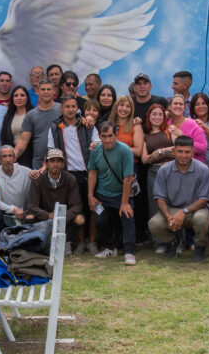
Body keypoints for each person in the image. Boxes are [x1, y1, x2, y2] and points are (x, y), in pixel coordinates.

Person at [149, 136, 209, 262]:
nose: (184, 155)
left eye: (187, 152)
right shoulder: (164, 170)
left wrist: (184, 212)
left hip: (195, 209)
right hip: (172, 209)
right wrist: (168, 217)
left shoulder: (203, 170)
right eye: (180, 151)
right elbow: (159, 198)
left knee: (201, 219)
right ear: (173, 151)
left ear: (193, 152)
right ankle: (173, 241)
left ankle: (200, 246)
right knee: (154, 224)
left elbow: (204, 199)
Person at [47, 95, 94, 249]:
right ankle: (78, 242)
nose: (71, 110)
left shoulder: (87, 125)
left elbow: (97, 145)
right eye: (67, 106)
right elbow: (51, 152)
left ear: (77, 108)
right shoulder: (54, 128)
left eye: (73, 106)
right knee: (74, 210)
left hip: (88, 174)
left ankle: (92, 242)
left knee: (92, 209)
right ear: (62, 108)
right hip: (67, 175)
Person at [88, 122, 137, 265]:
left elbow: (128, 177)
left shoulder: (125, 150)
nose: (107, 140)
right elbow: (92, 172)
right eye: (104, 136)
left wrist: (124, 203)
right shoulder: (95, 150)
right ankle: (110, 247)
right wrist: (90, 195)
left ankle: (129, 252)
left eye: (110, 136)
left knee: (128, 217)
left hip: (122, 193)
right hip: (102, 194)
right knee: (100, 221)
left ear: (116, 135)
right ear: (99, 136)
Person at [27, 148, 85, 247]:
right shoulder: (37, 180)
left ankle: (64, 242)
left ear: (63, 164)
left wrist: (62, 216)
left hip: (64, 217)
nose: (55, 164)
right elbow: (32, 206)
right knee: (29, 217)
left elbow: (77, 205)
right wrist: (48, 215)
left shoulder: (70, 179)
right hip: (44, 216)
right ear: (47, 163)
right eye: (52, 161)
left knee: (80, 219)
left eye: (58, 161)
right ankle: (39, 241)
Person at [140, 103, 175, 249]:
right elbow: (144, 159)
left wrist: (160, 152)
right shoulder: (145, 135)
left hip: (173, 171)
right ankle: (159, 242)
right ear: (149, 116)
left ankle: (177, 241)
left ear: (164, 117)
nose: (157, 117)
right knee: (155, 207)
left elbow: (178, 150)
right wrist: (153, 157)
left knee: (175, 205)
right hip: (153, 172)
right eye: (154, 114)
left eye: (160, 114)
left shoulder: (170, 130)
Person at [14, 79, 61, 170]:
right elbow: (23, 140)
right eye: (43, 89)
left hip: (61, 161)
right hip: (39, 164)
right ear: (38, 92)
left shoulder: (62, 109)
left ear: (54, 91)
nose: (46, 92)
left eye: (49, 89)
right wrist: (13, 156)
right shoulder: (30, 115)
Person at [0, 144, 35, 237]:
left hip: (24, 210)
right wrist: (13, 209)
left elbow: (40, 180)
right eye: (4, 156)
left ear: (15, 158)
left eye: (10, 156)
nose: (8, 159)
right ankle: (1, 240)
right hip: (5, 210)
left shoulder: (26, 172)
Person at [166, 94, 207, 163]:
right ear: (170, 106)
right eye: (175, 103)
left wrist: (183, 137)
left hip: (193, 166)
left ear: (185, 107)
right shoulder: (165, 124)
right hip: (172, 167)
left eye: (181, 104)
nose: (178, 106)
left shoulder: (193, 124)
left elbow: (203, 148)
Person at [0, 85, 34, 167]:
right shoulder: (8, 115)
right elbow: (4, 137)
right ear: (12, 99)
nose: (19, 98)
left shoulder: (33, 114)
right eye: (16, 96)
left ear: (27, 97)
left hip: (30, 156)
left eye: (22, 95)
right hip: (11, 156)